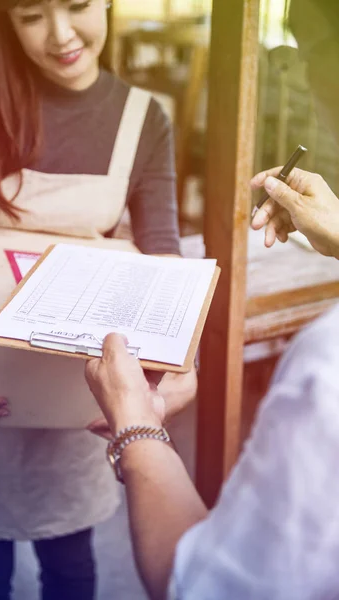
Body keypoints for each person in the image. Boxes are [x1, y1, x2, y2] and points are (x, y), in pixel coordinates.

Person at [0, 1, 196, 598]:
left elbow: (161, 250)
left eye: (78, 5)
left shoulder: (142, 119)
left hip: (72, 382)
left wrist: (179, 363)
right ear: (3, 19)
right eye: (31, 15)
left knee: (72, 560)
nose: (61, 35)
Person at [84, 1, 339, 598]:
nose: (300, 75)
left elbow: (202, 583)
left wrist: (137, 426)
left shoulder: (326, 374)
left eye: (303, 48)